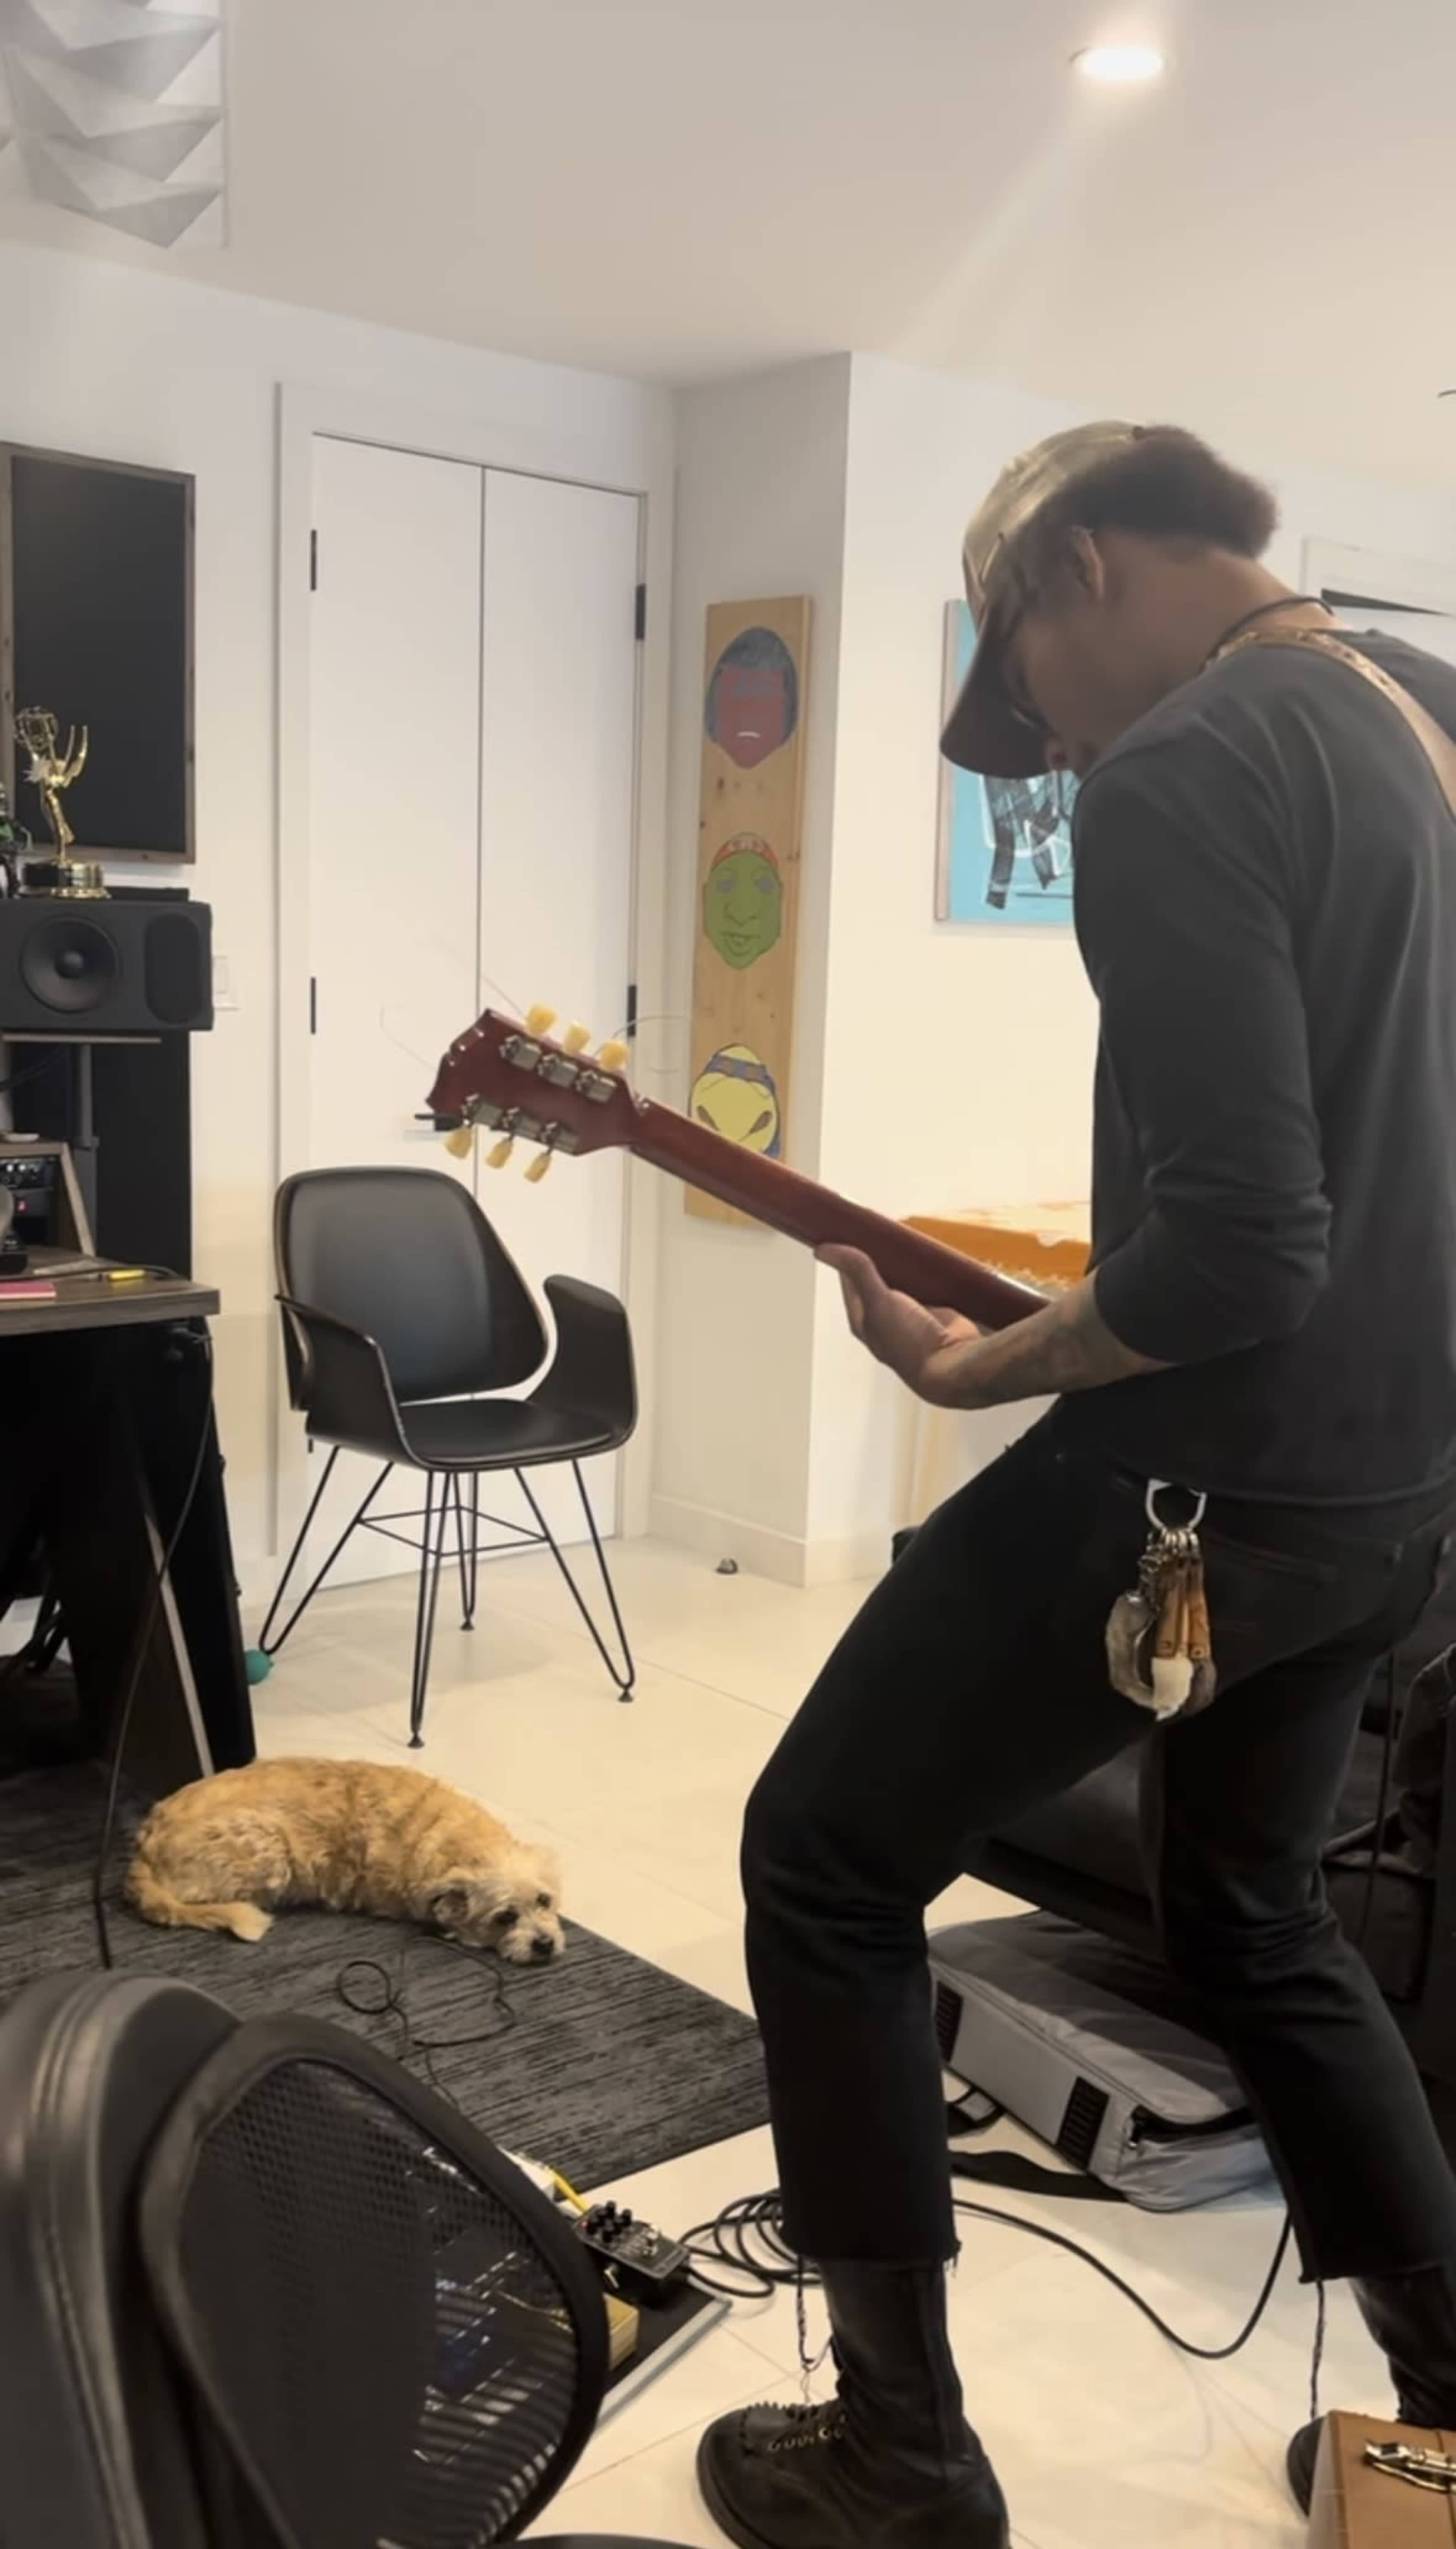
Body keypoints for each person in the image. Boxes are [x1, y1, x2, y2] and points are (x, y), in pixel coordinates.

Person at [695, 422, 1456, 2549]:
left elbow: (1233, 1249)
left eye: (1024, 684)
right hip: (1397, 1498)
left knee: (826, 1855)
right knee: (1253, 1908)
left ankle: (901, 2452)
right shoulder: (1420, 710)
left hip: (1198, 1488)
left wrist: (985, 1362)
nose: (1041, 738)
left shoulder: (1188, 764)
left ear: (1085, 565)